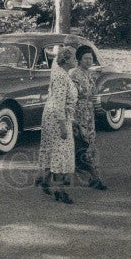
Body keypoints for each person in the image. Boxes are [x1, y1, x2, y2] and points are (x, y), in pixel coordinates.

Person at [36, 45, 79, 204]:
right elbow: (59, 102)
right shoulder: (62, 76)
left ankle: (46, 181)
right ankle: (60, 190)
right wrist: (63, 125)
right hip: (57, 117)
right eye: (74, 58)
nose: (76, 61)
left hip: (51, 116)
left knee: (53, 149)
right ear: (67, 60)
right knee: (61, 151)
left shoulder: (59, 71)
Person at [70, 45, 106, 190]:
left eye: (91, 58)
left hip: (89, 112)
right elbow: (71, 97)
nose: (89, 61)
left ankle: (89, 174)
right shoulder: (73, 74)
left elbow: (94, 94)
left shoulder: (90, 74)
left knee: (89, 143)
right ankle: (91, 175)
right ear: (79, 59)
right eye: (85, 58)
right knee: (79, 144)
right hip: (77, 112)